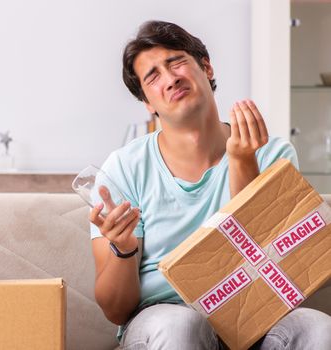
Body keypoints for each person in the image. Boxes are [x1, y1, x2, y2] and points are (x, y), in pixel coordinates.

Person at [88, 20, 331, 349]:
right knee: (183, 325)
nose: (171, 78)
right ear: (147, 102)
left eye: (176, 62)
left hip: (255, 315)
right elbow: (116, 310)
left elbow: (276, 263)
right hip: (164, 319)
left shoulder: (272, 153)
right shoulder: (123, 169)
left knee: (317, 327)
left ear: (206, 67)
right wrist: (124, 249)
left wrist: (244, 163)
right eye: (153, 76)